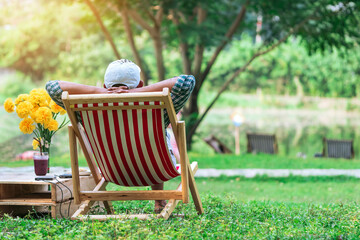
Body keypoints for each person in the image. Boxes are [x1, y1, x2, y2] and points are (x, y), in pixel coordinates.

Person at [45, 59, 195, 213]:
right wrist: (137, 92)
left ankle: (159, 200)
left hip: (113, 172)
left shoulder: (85, 109)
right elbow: (187, 81)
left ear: (105, 86)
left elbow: (52, 87)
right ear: (141, 84)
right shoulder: (157, 106)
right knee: (159, 134)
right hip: (158, 170)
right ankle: (159, 200)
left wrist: (99, 92)